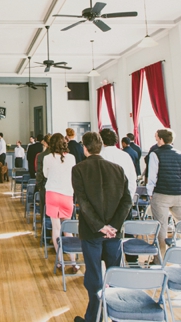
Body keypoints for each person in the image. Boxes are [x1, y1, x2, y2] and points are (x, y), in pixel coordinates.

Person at [72, 132, 133, 322]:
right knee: (113, 274)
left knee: (94, 276)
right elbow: (127, 201)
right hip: (114, 233)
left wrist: (100, 226)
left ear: (85, 147)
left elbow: (82, 201)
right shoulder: (117, 169)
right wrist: (113, 226)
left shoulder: (79, 169)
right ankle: (115, 315)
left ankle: (94, 318)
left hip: (91, 231)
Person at [146, 129, 181, 253]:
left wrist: (150, 193)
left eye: (156, 138)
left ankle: (160, 258)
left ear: (161, 139)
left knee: (161, 227)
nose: (156, 140)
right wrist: (179, 189)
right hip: (179, 195)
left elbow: (152, 177)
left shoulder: (155, 154)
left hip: (161, 195)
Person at [43, 133, 78, 273]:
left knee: (56, 229)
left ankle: (60, 262)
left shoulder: (47, 158)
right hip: (67, 194)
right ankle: (74, 262)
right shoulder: (71, 158)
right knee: (67, 230)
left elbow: (46, 175)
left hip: (52, 193)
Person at [99, 129, 137, 200]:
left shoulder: (99, 156)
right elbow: (132, 178)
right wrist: (129, 197)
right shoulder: (125, 155)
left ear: (100, 140)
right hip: (124, 197)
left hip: (105, 200)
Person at [34, 134, 51, 218]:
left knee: (44, 209)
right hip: (56, 186)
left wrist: (39, 186)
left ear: (45, 143)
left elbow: (39, 172)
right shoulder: (61, 155)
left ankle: (44, 229)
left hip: (44, 186)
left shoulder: (41, 156)